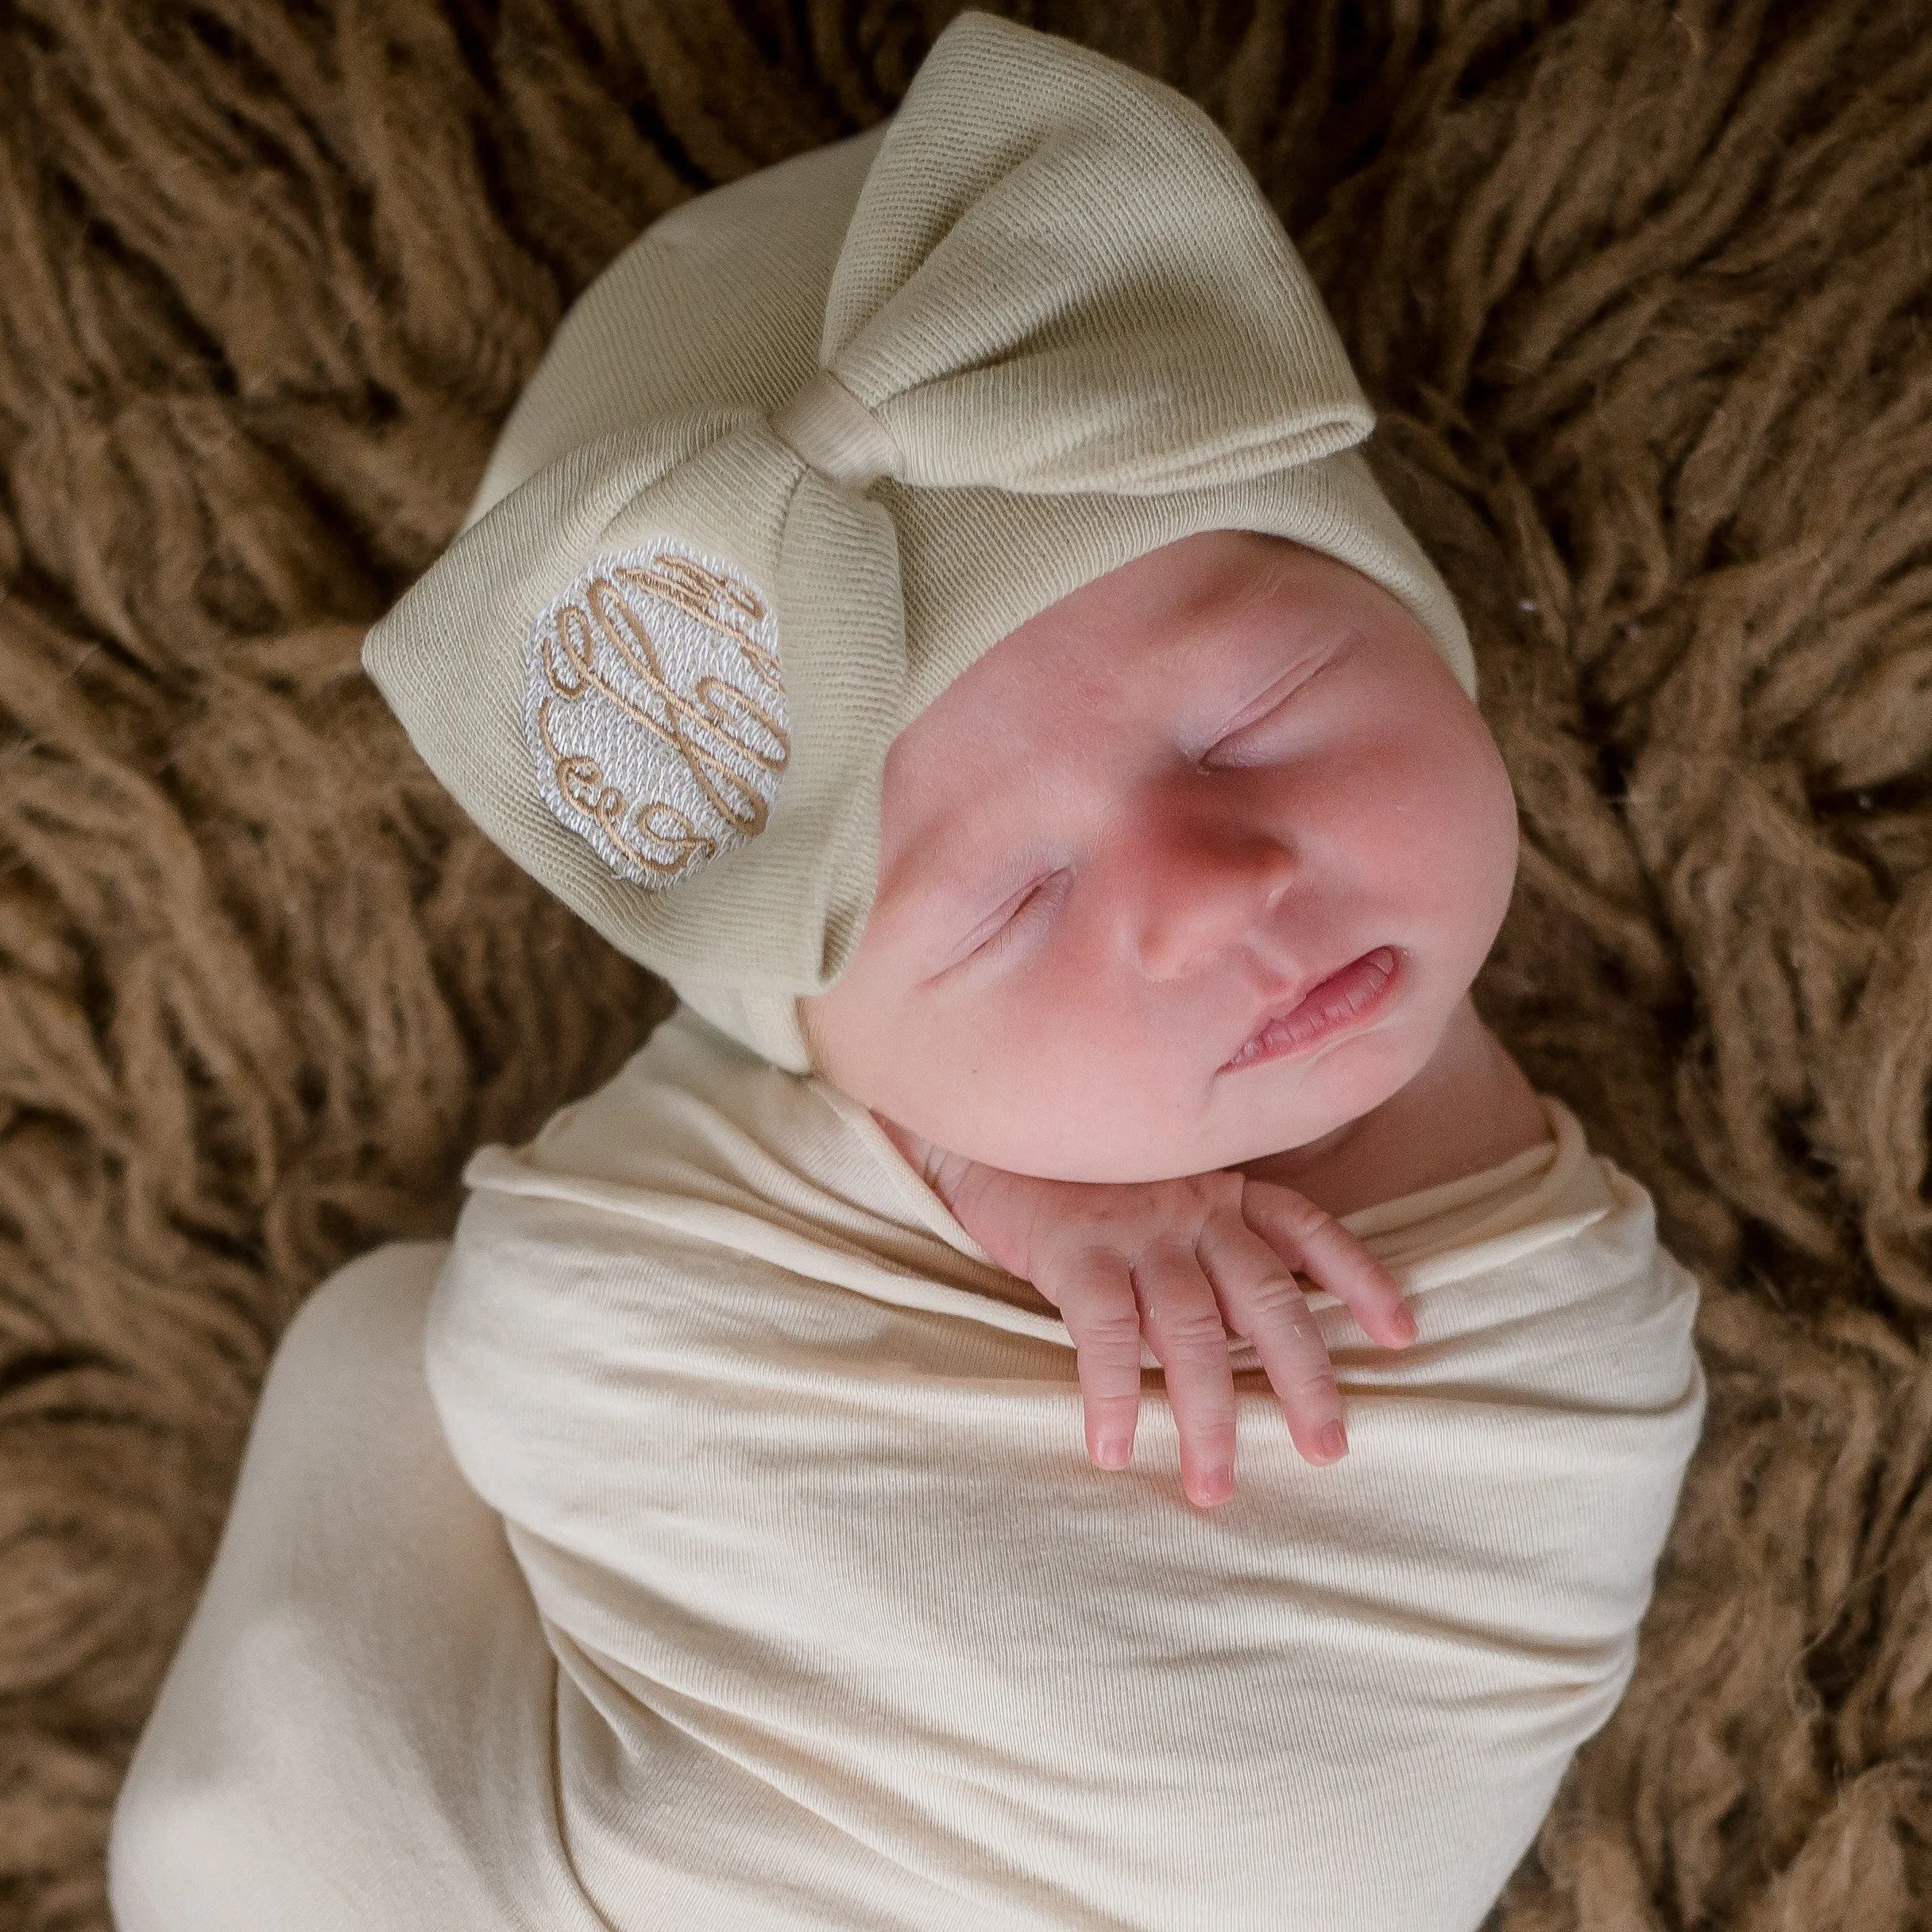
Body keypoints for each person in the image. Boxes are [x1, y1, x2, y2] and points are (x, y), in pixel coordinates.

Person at [108, 14, 1706, 1930]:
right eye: (1006, 909)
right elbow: (601, 1304)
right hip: (605, 1838)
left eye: (1265, 709)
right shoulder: (823, 1152)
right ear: (832, 1062)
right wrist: (996, 1191)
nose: (1206, 895)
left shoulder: (1546, 1344)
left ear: (1423, 627)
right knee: (380, 1374)